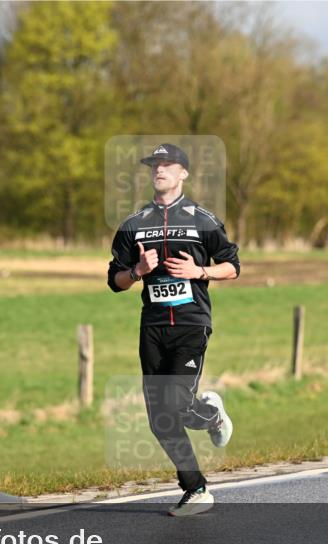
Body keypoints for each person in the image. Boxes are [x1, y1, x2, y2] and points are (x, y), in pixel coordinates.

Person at [107, 143, 241, 517]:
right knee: (160, 418)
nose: (159, 170)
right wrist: (137, 272)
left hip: (190, 324)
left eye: (167, 164)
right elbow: (114, 281)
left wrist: (199, 272)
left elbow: (232, 266)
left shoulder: (204, 219)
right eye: (154, 165)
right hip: (152, 328)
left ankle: (211, 415)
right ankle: (196, 489)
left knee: (178, 404)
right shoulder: (134, 224)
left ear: (183, 173)